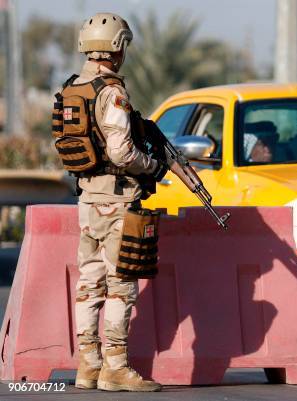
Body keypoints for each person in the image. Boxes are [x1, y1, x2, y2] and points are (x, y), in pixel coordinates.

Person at [68, 13, 165, 392]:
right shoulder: (112, 92)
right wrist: (152, 166)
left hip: (88, 199)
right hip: (117, 200)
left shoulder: (73, 88)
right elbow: (121, 152)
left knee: (89, 283)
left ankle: (88, 365)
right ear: (118, 48)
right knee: (120, 284)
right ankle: (116, 367)